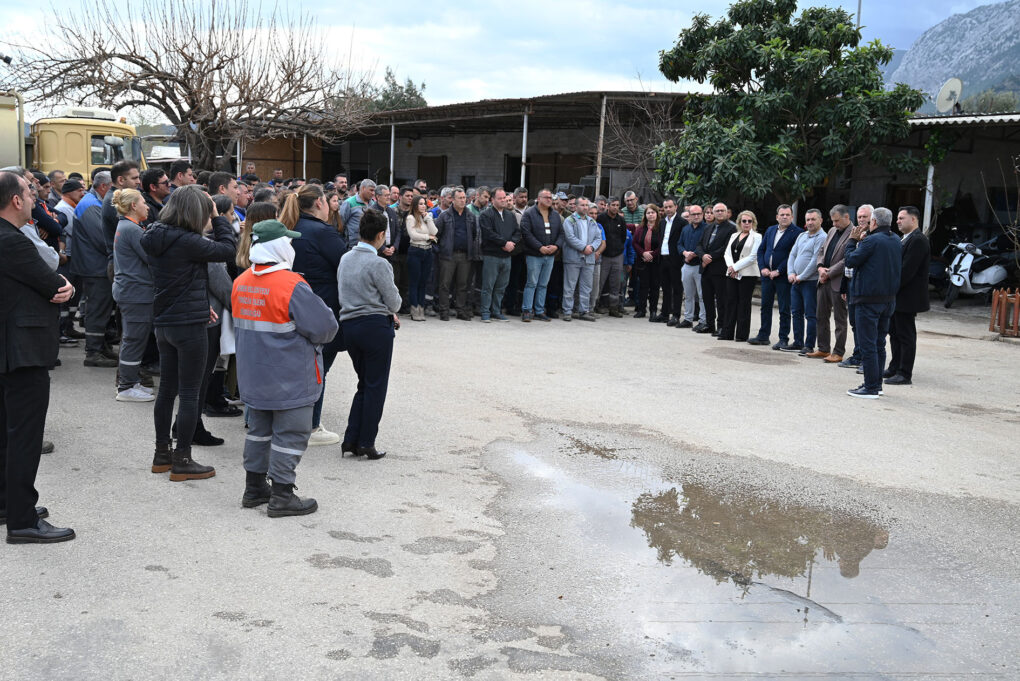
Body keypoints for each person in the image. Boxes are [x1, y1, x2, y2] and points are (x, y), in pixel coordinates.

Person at [232, 219, 338, 516]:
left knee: (259, 432)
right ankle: (282, 495)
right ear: (278, 247)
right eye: (288, 242)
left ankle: (254, 488)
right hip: (290, 376)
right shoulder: (292, 284)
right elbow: (325, 327)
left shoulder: (240, 282)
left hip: (254, 376)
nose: (291, 246)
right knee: (290, 435)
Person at [140, 185, 237, 480]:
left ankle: (161, 454)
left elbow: (179, 279)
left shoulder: (153, 236)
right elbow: (228, 249)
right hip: (189, 326)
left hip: (166, 322)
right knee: (191, 392)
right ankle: (182, 459)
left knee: (167, 391)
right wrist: (220, 216)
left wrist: (197, 305)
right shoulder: (188, 241)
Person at [1, 171, 76, 543]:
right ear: (16, 200)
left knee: (7, 432)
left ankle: (8, 504)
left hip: (12, 348)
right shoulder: (11, 241)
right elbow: (54, 282)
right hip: (21, 351)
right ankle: (23, 520)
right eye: (29, 193)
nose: (35, 198)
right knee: (25, 436)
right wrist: (66, 284)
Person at [279, 184, 347, 446]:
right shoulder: (321, 232)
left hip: (291, 304)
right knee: (319, 369)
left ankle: (293, 421)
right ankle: (310, 426)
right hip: (320, 305)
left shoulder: (290, 228)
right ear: (319, 202)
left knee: (299, 368)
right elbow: (345, 265)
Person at [337, 209, 401, 460]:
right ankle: (366, 441)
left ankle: (351, 438)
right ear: (381, 235)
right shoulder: (378, 263)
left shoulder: (345, 258)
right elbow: (394, 302)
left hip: (350, 326)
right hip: (375, 327)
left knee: (364, 384)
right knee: (375, 387)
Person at [843, 207, 901, 399]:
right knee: (879, 343)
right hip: (888, 299)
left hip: (868, 299)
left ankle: (871, 387)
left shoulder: (872, 240)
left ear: (874, 222)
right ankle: (876, 384)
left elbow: (850, 260)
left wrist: (852, 241)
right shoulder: (895, 239)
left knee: (868, 343)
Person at [111, 188, 155, 402]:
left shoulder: (128, 226)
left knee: (134, 338)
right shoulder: (131, 229)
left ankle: (130, 381)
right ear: (133, 206)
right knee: (134, 339)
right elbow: (151, 257)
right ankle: (126, 386)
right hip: (136, 293)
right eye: (144, 202)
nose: (147, 206)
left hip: (133, 291)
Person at [72, 170, 118, 367]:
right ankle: (93, 352)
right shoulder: (90, 205)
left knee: (103, 309)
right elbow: (102, 239)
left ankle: (101, 347)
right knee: (97, 310)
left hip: (96, 265)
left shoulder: (93, 202)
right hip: (95, 268)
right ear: (103, 187)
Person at [885, 206, 930, 386]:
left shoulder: (918, 240)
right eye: (898, 217)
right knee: (894, 333)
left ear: (913, 220)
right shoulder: (905, 239)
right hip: (898, 296)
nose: (898, 221)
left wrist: (889, 286)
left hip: (908, 297)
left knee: (906, 335)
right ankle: (895, 367)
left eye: (902, 218)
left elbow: (907, 271)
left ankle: (904, 373)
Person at [749, 205, 803, 349]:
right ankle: (763, 335)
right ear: (777, 216)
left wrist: (779, 270)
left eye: (787, 215)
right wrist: (763, 268)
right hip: (767, 276)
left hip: (783, 277)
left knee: (784, 309)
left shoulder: (798, 233)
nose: (784, 217)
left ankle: (783, 338)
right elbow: (761, 251)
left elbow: (793, 254)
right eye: (782, 214)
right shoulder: (770, 230)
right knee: (765, 306)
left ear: (792, 217)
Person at [809, 205, 854, 363]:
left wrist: (830, 272)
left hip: (838, 281)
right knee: (820, 315)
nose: (834, 224)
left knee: (840, 319)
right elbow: (822, 251)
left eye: (837, 221)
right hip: (823, 280)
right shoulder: (832, 231)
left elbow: (848, 258)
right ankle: (823, 348)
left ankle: (838, 352)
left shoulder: (854, 233)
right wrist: (820, 268)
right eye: (833, 221)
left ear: (846, 217)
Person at [435, 188, 481, 321]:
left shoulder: (470, 216)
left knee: (463, 284)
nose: (463, 200)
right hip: (448, 255)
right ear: (453, 200)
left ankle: (460, 310)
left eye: (464, 198)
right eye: (459, 198)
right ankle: (444, 310)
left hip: (465, 256)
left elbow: (473, 234)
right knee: (445, 284)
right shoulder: (445, 216)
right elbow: (436, 235)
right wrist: (441, 250)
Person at [785, 209, 827, 354]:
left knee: (810, 314)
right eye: (808, 219)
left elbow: (816, 260)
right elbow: (792, 254)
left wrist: (801, 276)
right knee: (796, 312)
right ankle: (797, 342)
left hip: (810, 281)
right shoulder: (802, 236)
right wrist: (791, 273)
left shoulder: (822, 237)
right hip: (796, 280)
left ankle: (809, 345)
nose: (810, 222)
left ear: (820, 220)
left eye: (813, 219)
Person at [478, 188, 521, 323]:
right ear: (492, 200)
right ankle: (485, 312)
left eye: (504, 198)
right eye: (500, 198)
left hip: (507, 256)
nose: (503, 200)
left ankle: (496, 311)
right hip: (492, 256)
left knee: (501, 286)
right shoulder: (486, 215)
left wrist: (512, 243)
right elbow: (488, 233)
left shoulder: (510, 215)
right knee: (488, 286)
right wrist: (504, 243)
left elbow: (517, 232)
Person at [519, 189, 562, 322]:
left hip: (550, 255)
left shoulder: (555, 215)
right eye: (546, 197)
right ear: (539, 198)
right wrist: (540, 247)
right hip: (534, 255)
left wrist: (556, 246)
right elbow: (526, 233)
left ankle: (539, 310)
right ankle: (527, 310)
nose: (549, 199)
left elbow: (561, 233)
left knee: (543, 284)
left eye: (551, 197)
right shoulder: (529, 214)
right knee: (531, 283)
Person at [839, 204, 874, 369]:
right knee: (854, 323)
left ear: (872, 219)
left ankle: (866, 359)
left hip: (865, 288)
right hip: (851, 285)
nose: (861, 220)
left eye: (865, 217)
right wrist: (844, 288)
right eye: (859, 217)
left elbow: (853, 259)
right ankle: (857, 354)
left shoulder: (872, 238)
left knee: (865, 325)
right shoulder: (855, 234)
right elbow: (847, 263)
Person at [720, 210, 763, 342]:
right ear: (739, 222)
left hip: (748, 274)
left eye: (749, 221)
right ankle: (727, 333)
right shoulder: (734, 235)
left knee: (744, 304)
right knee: (730, 301)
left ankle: (741, 335)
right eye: (744, 221)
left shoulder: (757, 236)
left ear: (753, 222)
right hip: (732, 273)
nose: (746, 223)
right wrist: (731, 267)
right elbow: (727, 253)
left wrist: (736, 267)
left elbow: (753, 257)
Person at [696, 203, 737, 334]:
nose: (719, 213)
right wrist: (702, 256)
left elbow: (726, 248)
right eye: (717, 211)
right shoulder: (708, 227)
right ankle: (709, 324)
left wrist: (710, 257)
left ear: (727, 212)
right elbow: (699, 245)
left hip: (719, 269)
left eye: (722, 211)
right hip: (706, 269)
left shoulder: (732, 228)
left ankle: (721, 326)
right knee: (707, 298)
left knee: (721, 300)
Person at [561, 197, 602, 322]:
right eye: (582, 205)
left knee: (586, 287)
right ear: (576, 206)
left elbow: (598, 238)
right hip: (573, 258)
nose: (585, 207)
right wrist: (584, 247)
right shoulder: (570, 220)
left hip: (588, 259)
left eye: (586, 205)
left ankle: (584, 311)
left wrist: (592, 247)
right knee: (570, 286)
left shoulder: (592, 222)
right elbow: (570, 237)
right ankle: (567, 311)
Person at [405, 195, 438, 321]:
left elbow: (434, 232)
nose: (423, 206)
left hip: (427, 251)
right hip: (415, 250)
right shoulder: (410, 218)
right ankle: (414, 309)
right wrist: (427, 237)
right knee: (415, 281)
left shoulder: (427, 217)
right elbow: (413, 235)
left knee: (423, 282)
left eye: (424, 203)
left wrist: (428, 219)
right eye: (420, 204)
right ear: (415, 205)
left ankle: (421, 307)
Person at [596, 197, 628, 318]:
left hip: (618, 256)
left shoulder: (621, 220)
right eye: (613, 205)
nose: (615, 207)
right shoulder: (601, 218)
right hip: (604, 256)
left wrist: (619, 248)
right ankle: (595, 306)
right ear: (608, 206)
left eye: (617, 205)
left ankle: (613, 308)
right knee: (600, 282)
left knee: (616, 283)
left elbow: (623, 237)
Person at [678, 205, 707, 328]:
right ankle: (688, 319)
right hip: (686, 266)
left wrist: (694, 254)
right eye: (693, 214)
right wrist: (685, 253)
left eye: (698, 214)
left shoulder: (707, 228)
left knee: (702, 296)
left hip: (700, 266)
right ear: (689, 215)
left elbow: (705, 246)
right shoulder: (685, 229)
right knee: (688, 295)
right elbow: (679, 244)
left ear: (702, 214)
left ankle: (703, 321)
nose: (696, 216)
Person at [659, 197, 687, 326]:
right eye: (666, 207)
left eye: (670, 206)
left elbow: (683, 241)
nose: (668, 209)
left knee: (676, 288)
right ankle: (665, 313)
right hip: (663, 257)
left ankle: (676, 315)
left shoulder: (682, 222)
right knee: (665, 288)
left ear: (676, 207)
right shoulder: (662, 222)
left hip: (675, 259)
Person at [339, 179, 376, 248]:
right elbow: (340, 224)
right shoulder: (349, 203)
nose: (373, 193)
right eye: (371, 190)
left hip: (369, 245)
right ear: (363, 188)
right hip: (352, 246)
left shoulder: (373, 204)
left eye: (374, 191)